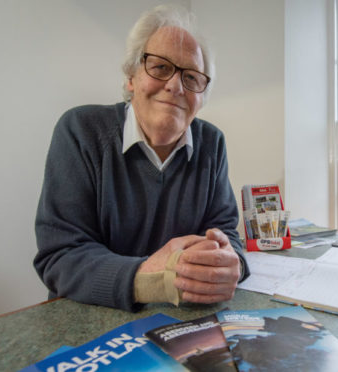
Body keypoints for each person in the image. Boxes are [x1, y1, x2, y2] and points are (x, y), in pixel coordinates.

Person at [34, 4, 249, 312]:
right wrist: (150, 278)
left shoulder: (212, 143)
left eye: (191, 77)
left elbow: (228, 236)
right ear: (131, 78)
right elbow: (60, 256)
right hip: (89, 322)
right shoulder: (80, 131)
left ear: (201, 97)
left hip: (183, 320)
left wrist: (232, 265)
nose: (175, 85)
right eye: (160, 67)